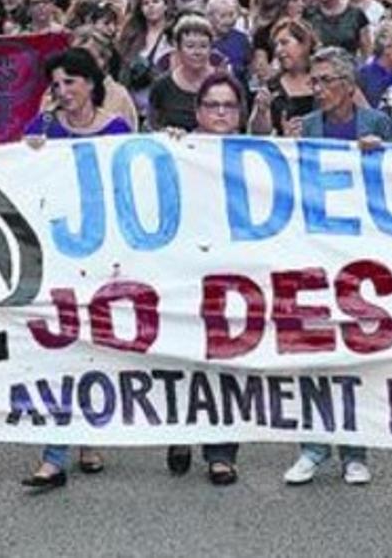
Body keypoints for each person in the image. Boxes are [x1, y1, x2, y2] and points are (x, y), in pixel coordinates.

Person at [282, 47, 392, 487]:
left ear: (348, 86)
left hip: (360, 258)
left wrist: (381, 155)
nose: (318, 89)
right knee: (314, 353)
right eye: (315, 81)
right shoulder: (305, 128)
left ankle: (354, 451)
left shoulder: (378, 124)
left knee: (354, 354)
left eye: (326, 81)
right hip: (314, 252)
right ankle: (312, 447)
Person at [21, 48, 130, 490]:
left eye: (71, 82)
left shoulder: (116, 129)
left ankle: (89, 435)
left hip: (102, 253)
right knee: (58, 348)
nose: (63, 92)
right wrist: (36, 138)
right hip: (57, 254)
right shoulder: (41, 129)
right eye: (57, 84)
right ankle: (54, 454)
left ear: (90, 83)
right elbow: (20, 176)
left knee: (95, 347)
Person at [163, 72, 248, 486]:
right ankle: (180, 431)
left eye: (228, 106)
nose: (220, 113)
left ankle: (221, 451)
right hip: (183, 265)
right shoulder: (180, 148)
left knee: (226, 357)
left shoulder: (258, 154)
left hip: (233, 271)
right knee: (182, 352)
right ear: (198, 111)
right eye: (211, 105)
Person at [147, 15, 217, 132]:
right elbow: (151, 126)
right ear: (178, 49)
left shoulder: (224, 83)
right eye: (190, 46)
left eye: (203, 46)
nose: (197, 52)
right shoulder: (161, 86)